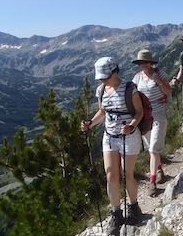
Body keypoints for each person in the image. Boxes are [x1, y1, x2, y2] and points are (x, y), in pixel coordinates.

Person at [81, 57, 143, 235]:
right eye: (100, 77)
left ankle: (134, 206)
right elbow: (103, 111)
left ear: (115, 71)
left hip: (128, 136)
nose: (102, 80)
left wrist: (131, 125)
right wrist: (90, 124)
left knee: (126, 174)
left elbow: (139, 112)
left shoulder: (130, 88)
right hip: (109, 136)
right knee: (111, 176)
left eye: (105, 76)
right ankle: (116, 212)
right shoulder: (101, 90)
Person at [131, 49, 172, 197]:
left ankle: (152, 181)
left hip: (159, 113)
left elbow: (168, 92)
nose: (144, 65)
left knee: (153, 149)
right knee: (150, 147)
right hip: (145, 116)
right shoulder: (137, 78)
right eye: (141, 62)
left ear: (151, 62)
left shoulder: (159, 74)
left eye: (146, 62)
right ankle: (160, 171)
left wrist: (158, 82)